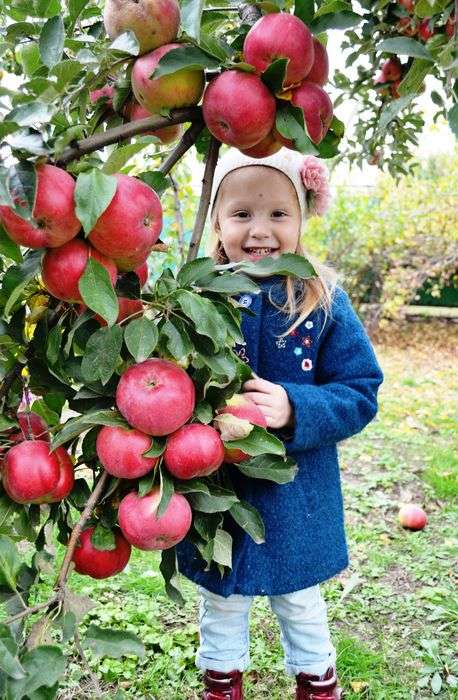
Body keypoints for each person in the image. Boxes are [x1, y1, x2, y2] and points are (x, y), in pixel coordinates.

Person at [175, 148, 384, 700]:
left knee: (301, 601)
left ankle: (317, 683)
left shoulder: (323, 302)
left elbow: (361, 390)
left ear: (302, 219)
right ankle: (221, 683)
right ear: (217, 221)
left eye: (278, 214)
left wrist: (296, 407)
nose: (260, 231)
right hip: (215, 487)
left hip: (296, 496)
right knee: (222, 596)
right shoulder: (195, 300)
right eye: (242, 214)